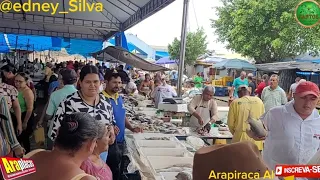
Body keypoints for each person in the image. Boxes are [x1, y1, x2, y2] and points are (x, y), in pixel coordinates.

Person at [48, 65, 116, 162]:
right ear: (80, 82)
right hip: (76, 157)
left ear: (100, 82)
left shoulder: (106, 102)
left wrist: (111, 132)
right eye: (88, 82)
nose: (92, 85)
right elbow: (56, 133)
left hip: (100, 156)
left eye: (95, 81)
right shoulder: (69, 103)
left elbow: (110, 122)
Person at [248, 81, 320, 172]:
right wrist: (255, 134)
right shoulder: (275, 114)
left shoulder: (318, 120)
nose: (308, 103)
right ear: (294, 96)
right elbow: (256, 130)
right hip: (275, 173)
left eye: (313, 99)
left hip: (305, 175)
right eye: (303, 97)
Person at [22, 113, 104, 180]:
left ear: (57, 133)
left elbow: (10, 173)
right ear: (90, 144)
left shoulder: (34, 153)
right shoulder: (85, 179)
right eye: (95, 141)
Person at [103, 72, 142, 180]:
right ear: (106, 82)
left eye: (120, 83)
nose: (118, 85)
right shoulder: (101, 99)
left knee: (117, 170)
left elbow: (122, 116)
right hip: (108, 142)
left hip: (120, 141)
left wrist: (131, 127)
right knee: (107, 171)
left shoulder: (118, 97)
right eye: (114, 82)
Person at [42, 69, 78, 150]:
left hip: (55, 132)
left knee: (52, 157)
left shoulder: (55, 94)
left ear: (62, 81)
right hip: (74, 135)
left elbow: (48, 116)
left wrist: (44, 119)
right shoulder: (80, 95)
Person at [227, 85, 264, 151]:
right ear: (249, 92)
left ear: (238, 94)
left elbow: (230, 124)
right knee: (255, 160)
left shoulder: (235, 103)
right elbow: (263, 119)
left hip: (240, 140)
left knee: (240, 160)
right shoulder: (259, 101)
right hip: (257, 139)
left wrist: (236, 133)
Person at [14, 73, 35, 153]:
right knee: (17, 137)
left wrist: (25, 122)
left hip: (25, 116)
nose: (17, 83)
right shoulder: (14, 89)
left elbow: (30, 109)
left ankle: (27, 155)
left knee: (24, 138)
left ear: (26, 81)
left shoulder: (27, 92)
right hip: (16, 115)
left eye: (20, 81)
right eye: (16, 81)